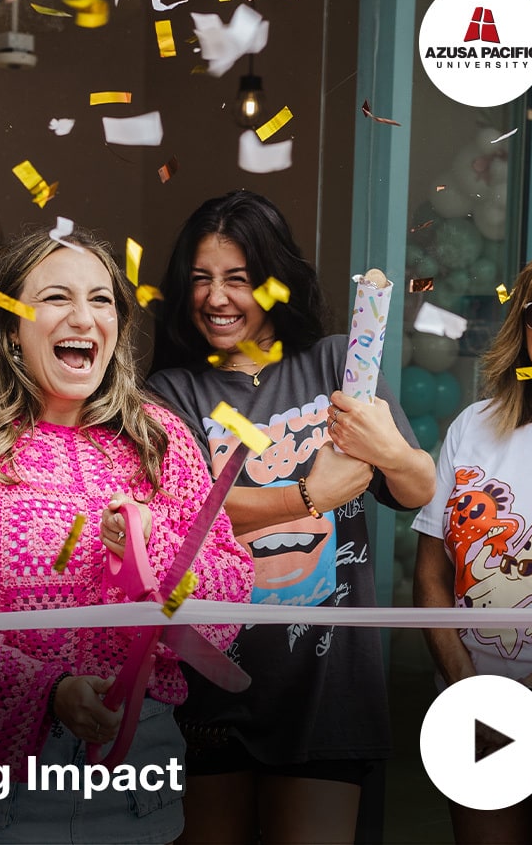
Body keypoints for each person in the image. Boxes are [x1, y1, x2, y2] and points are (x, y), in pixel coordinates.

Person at [0, 227, 254, 844]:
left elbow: (225, 594)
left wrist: (149, 549)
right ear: (10, 328)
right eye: (56, 298)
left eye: (102, 300)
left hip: (137, 774)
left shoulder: (160, 439)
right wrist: (48, 694)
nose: (84, 317)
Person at [146, 190, 436, 845]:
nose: (216, 298)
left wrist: (385, 449)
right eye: (201, 279)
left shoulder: (338, 364)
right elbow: (184, 519)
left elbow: (418, 486)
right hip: (208, 682)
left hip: (327, 685)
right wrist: (310, 495)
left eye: (237, 279)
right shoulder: (172, 392)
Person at [413, 245, 532, 845]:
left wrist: (519, 706)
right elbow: (432, 577)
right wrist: (469, 690)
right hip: (472, 709)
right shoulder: (473, 426)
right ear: (523, 327)